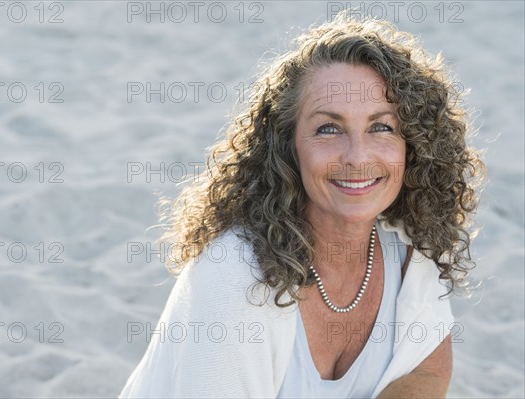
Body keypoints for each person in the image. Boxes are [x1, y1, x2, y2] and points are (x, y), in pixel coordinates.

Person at [119, 11, 485, 399]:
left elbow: (425, 377)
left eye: (381, 127)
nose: (358, 157)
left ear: (413, 146)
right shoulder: (235, 276)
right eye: (329, 128)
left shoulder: (409, 259)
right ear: (286, 147)